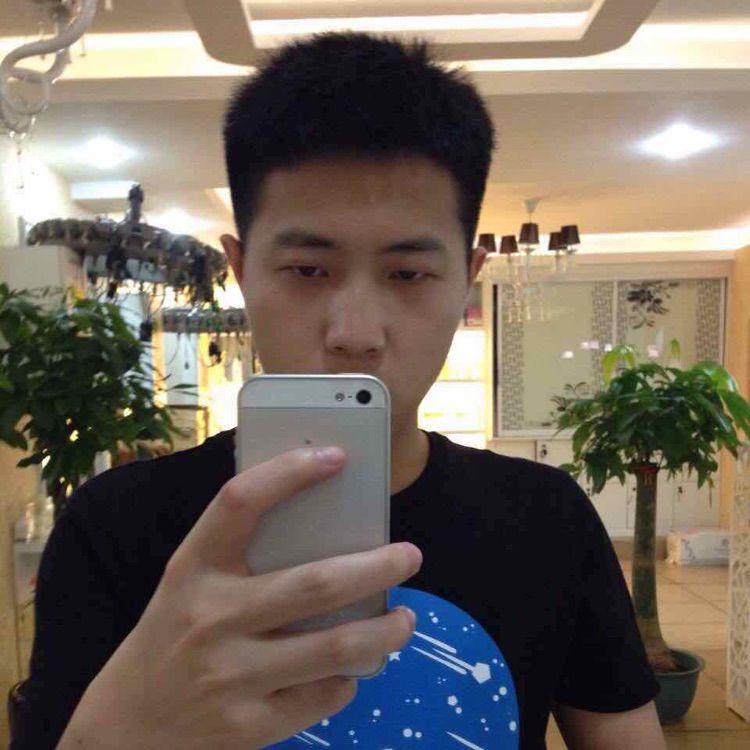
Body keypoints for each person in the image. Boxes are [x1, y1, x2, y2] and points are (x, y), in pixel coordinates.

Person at [12, 32, 666, 749]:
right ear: (241, 269)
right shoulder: (113, 526)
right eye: (307, 270)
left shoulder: (548, 518)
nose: (355, 333)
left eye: (408, 274)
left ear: (468, 279)